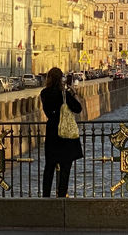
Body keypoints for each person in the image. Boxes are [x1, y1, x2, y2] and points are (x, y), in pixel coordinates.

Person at [40, 68, 83, 197]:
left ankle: (46, 197)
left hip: (52, 132)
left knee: (49, 167)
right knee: (65, 167)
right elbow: (78, 109)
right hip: (64, 134)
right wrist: (73, 93)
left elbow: (47, 111)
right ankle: (61, 197)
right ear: (60, 79)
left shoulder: (44, 93)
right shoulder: (64, 95)